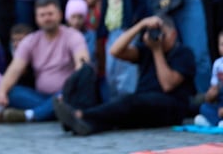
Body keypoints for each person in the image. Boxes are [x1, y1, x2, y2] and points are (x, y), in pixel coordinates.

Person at [53, 15, 196, 135]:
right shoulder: (147, 50)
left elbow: (168, 85)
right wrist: (140, 25)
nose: (157, 37)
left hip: (171, 107)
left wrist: (157, 51)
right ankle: (82, 125)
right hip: (143, 104)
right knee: (117, 117)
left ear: (173, 35)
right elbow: (115, 51)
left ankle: (81, 115)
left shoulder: (183, 53)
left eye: (161, 33)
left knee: (128, 102)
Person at [0, 0, 89, 123]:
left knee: (69, 96)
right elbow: (15, 69)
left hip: (66, 93)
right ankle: (51, 110)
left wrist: (71, 88)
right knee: (13, 93)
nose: (47, 18)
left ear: (59, 15)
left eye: (50, 14)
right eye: (42, 15)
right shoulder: (31, 40)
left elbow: (82, 65)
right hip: (39, 96)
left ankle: (30, 115)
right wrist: (2, 92)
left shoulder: (73, 36)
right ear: (36, 18)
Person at [98, 0, 150, 100]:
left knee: (126, 69)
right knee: (111, 67)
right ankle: (114, 100)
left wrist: (134, 22)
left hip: (127, 29)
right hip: (112, 28)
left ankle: (127, 100)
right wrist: (102, 28)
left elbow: (142, 3)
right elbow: (106, 5)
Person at [195, 30, 223, 127]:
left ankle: (213, 122)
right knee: (204, 107)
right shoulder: (217, 64)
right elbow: (213, 87)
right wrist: (210, 95)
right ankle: (217, 122)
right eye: (222, 44)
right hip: (220, 101)